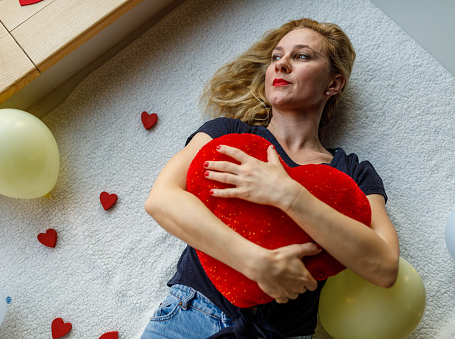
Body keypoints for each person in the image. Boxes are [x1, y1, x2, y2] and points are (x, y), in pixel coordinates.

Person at [141, 18, 400, 338]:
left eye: (302, 56)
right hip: (188, 317)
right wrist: (254, 262)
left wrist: (288, 194)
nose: (282, 65)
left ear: (333, 84)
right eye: (276, 57)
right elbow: (162, 199)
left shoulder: (353, 172)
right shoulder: (228, 134)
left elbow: (384, 266)